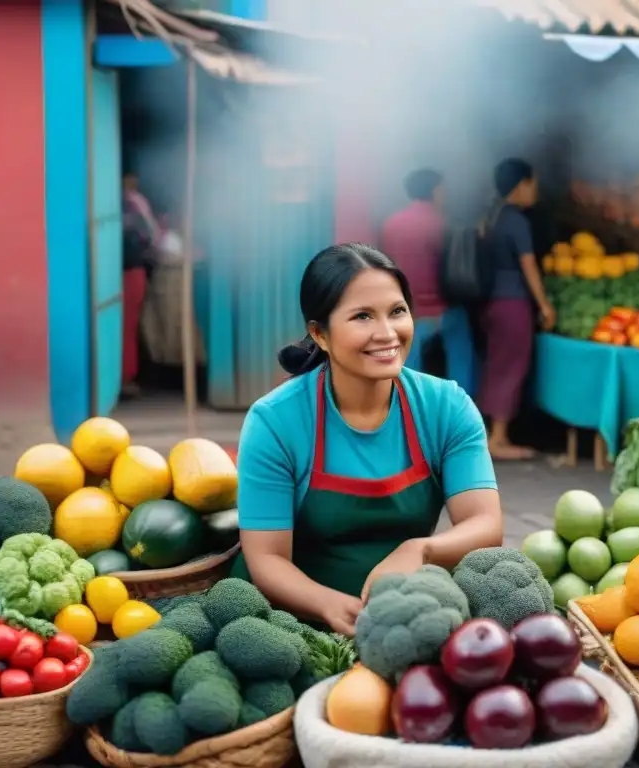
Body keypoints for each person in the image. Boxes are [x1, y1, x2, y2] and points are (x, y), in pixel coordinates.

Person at [229, 243, 503, 636]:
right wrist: (331, 606)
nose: (387, 333)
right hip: (291, 625)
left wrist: (421, 549)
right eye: (362, 316)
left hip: (403, 622)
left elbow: (485, 522)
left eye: (397, 311)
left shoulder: (447, 407)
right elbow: (267, 559)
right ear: (320, 334)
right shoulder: (276, 421)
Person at [479, 158, 555, 461]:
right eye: (533, 183)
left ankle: (490, 435)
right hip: (513, 303)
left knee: (497, 364)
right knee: (511, 366)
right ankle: (498, 439)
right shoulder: (517, 221)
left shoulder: (492, 215)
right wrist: (545, 304)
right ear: (521, 185)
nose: (535, 190)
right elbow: (529, 266)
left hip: (491, 302)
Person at [380, 169, 477, 395]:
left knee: (408, 363)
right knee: (462, 350)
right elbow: (455, 268)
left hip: (408, 311)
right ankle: (460, 405)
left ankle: (409, 412)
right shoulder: (441, 224)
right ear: (435, 191)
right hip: (443, 310)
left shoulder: (391, 224)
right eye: (442, 190)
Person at [121, 172, 160, 400]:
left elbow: (150, 235)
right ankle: (126, 377)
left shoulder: (132, 203)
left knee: (127, 326)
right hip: (130, 270)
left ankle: (127, 377)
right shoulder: (130, 202)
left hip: (130, 270)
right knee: (127, 327)